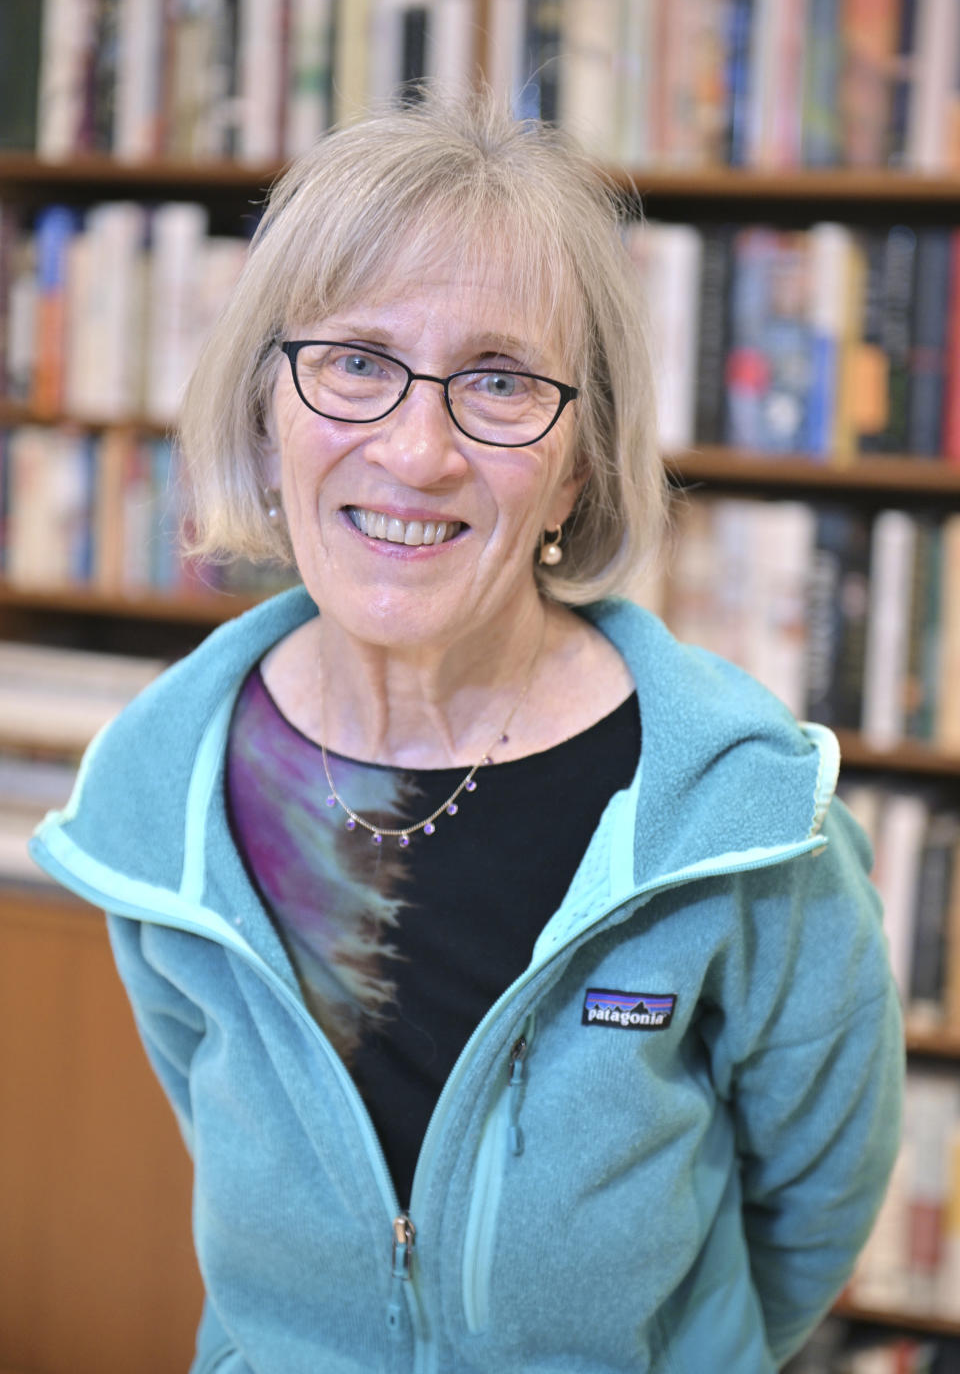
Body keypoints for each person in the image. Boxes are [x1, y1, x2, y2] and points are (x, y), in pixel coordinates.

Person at [31, 90, 903, 1374]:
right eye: (355, 362)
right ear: (268, 417)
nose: (416, 448)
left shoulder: (741, 811)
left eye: (497, 380)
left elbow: (816, 1203)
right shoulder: (157, 796)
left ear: (580, 464)